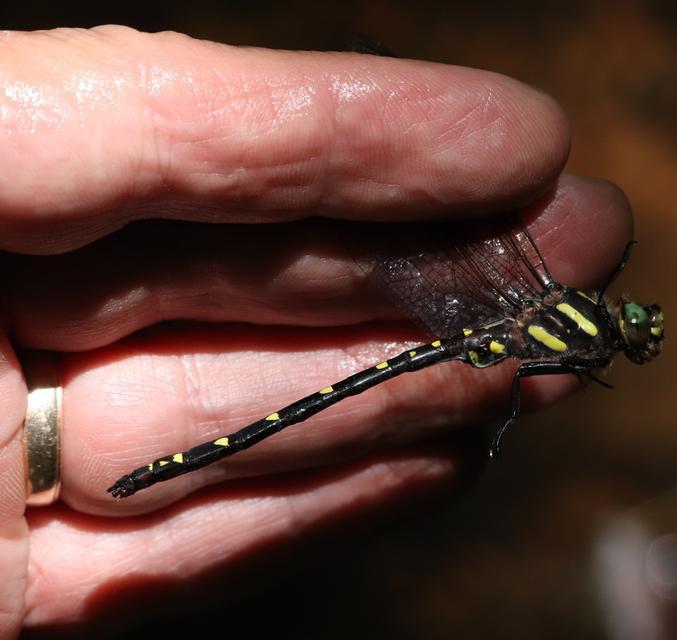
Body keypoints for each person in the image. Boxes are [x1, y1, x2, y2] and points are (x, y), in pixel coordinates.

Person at [0, 25, 632, 636]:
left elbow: (526, 370)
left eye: (632, 327)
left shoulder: (560, 316)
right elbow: (527, 373)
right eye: (632, 321)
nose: (630, 323)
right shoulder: (574, 331)